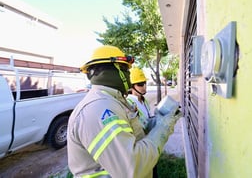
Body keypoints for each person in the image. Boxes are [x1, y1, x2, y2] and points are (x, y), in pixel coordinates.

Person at [67, 45, 182, 178]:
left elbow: (135, 135)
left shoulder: (114, 101)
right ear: (116, 70)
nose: (129, 74)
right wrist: (164, 127)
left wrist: (158, 121)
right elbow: (132, 168)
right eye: (126, 69)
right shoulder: (99, 108)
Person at [126, 67, 158, 177]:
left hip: (149, 141)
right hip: (140, 145)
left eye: (144, 83)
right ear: (132, 86)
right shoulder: (128, 103)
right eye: (140, 84)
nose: (144, 87)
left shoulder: (144, 101)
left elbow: (147, 118)